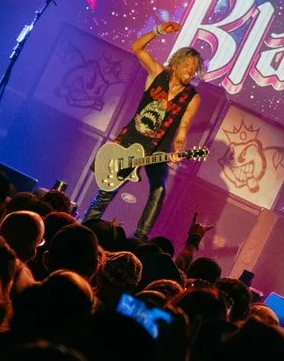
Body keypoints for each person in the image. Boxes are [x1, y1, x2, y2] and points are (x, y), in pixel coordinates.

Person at [85, 19, 204, 235]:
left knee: (158, 189)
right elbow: (136, 47)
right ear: (176, 63)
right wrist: (158, 31)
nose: (191, 71)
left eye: (195, 69)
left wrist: (178, 149)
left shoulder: (192, 97)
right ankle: (87, 226)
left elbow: (183, 128)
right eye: (188, 65)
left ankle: (139, 238)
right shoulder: (158, 73)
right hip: (131, 141)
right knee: (109, 188)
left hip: (158, 149)